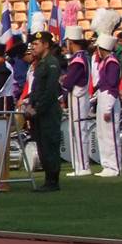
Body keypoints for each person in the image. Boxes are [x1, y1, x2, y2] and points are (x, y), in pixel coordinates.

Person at [21, 32, 63, 191]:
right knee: (42, 146)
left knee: (49, 145)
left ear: (46, 45)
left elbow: (50, 91)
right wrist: (30, 105)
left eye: (36, 44)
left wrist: (37, 109)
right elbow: (36, 89)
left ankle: (53, 181)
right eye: (32, 44)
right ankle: (48, 179)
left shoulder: (51, 63)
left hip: (48, 111)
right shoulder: (40, 63)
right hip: (38, 111)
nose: (33, 47)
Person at [60, 26, 94, 176]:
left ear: (71, 42)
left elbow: (69, 82)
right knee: (77, 132)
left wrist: (63, 80)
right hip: (78, 97)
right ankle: (80, 166)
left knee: (79, 132)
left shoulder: (78, 59)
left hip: (78, 98)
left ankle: (83, 166)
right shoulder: (82, 57)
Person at [92, 32, 122, 177]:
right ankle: (107, 165)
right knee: (102, 134)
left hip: (109, 98)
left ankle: (114, 167)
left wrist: (108, 107)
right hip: (103, 97)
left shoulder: (112, 62)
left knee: (110, 134)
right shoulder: (105, 62)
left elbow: (112, 86)